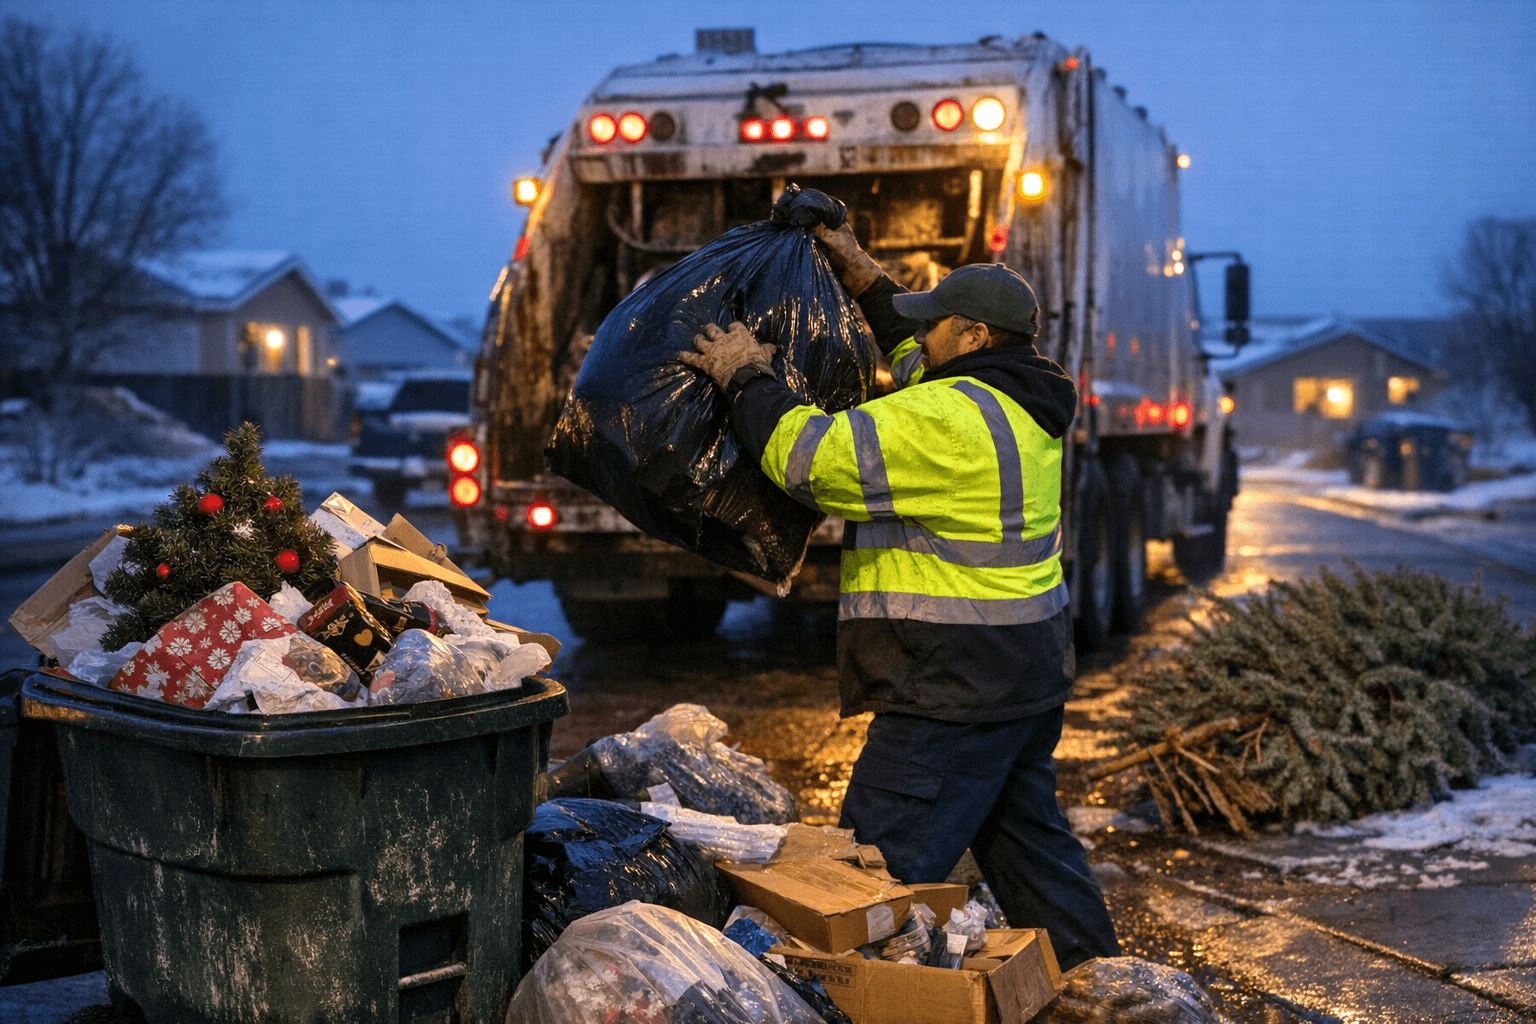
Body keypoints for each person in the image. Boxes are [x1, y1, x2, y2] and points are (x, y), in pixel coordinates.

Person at [678, 188, 1120, 969]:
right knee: (1034, 856)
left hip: (949, 687)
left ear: (975, 335)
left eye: (936, 323)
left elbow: (809, 460)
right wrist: (856, 267)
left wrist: (746, 375)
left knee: (868, 883)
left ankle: (860, 1000)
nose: (919, 334)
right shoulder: (1018, 399)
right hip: (1023, 674)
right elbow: (909, 354)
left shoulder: (945, 419)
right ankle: (1112, 991)